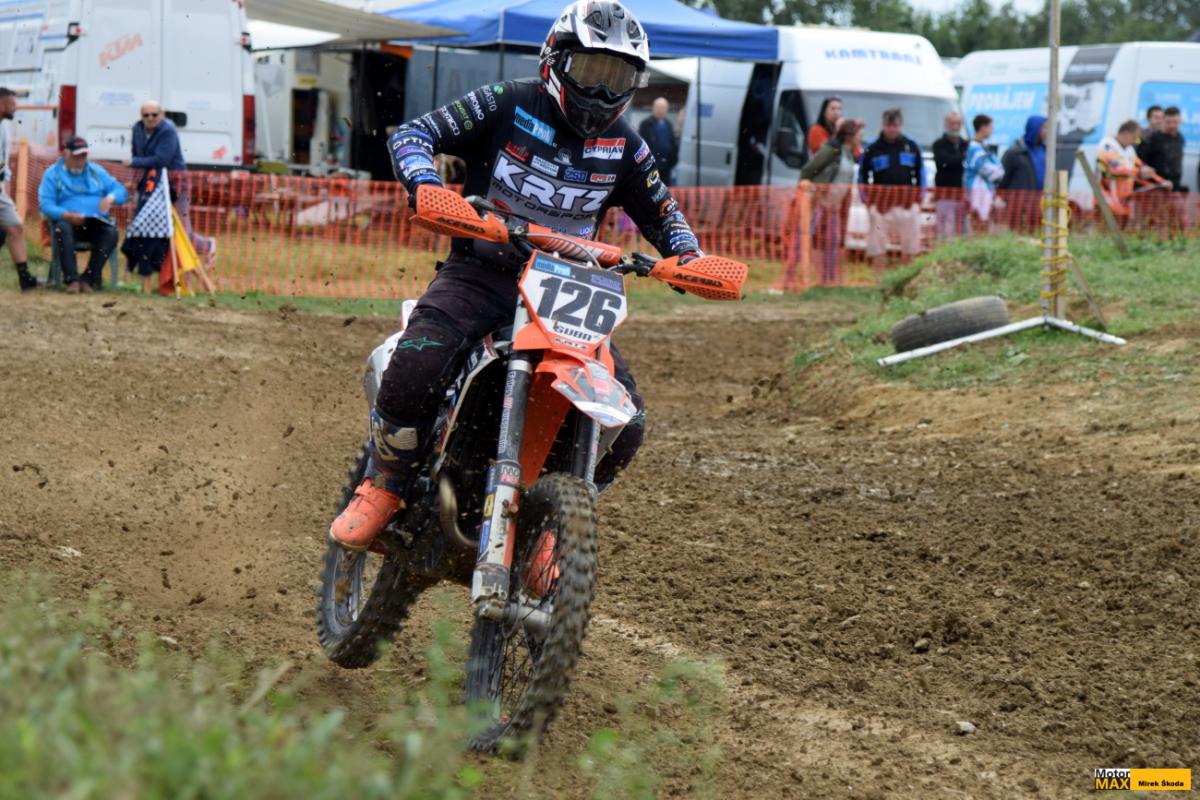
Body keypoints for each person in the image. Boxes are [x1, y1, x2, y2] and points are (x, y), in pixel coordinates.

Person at [329, 0, 704, 551]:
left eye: (618, 78)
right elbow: (412, 135)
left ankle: (553, 520)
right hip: (484, 272)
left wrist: (689, 257)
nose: (602, 91)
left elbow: (664, 212)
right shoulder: (507, 101)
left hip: (567, 291)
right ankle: (384, 483)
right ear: (556, 60)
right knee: (416, 365)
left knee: (627, 425)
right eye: (591, 71)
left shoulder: (627, 144)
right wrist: (427, 185)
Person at [130, 100, 216, 291]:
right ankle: (167, 277)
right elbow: (137, 153)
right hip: (152, 182)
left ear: (161, 114)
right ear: (141, 116)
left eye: (154, 114)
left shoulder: (168, 130)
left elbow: (161, 159)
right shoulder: (137, 129)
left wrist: (135, 162)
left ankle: (208, 246)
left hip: (177, 183)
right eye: (146, 115)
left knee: (180, 230)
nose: (150, 118)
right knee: (156, 229)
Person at [37, 136, 128, 293]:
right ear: (66, 154)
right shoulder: (52, 174)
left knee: (111, 233)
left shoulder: (96, 171)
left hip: (95, 223)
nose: (81, 160)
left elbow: (121, 191)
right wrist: (66, 215)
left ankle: (88, 279)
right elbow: (46, 205)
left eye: (84, 156)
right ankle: (72, 280)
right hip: (67, 223)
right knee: (62, 228)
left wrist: (110, 198)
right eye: (77, 156)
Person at [798, 118, 864, 283]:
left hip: (833, 207)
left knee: (833, 241)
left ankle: (828, 279)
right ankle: (799, 276)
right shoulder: (832, 150)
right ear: (849, 136)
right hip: (818, 203)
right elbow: (808, 171)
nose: (861, 138)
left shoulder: (849, 155)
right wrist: (810, 190)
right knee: (808, 239)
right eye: (859, 135)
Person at [858, 108, 924, 270]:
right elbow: (862, 176)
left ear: (900, 125)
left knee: (910, 246)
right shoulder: (872, 147)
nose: (892, 129)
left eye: (895, 125)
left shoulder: (912, 145)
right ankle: (879, 279)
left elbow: (921, 173)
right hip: (880, 206)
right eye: (889, 125)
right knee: (877, 247)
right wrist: (867, 202)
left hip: (907, 204)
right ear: (883, 125)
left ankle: (907, 278)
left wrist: (919, 199)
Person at [0, 88, 36, 291]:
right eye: (12, 104)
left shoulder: (4, 128)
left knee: (15, 227)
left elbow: (2, 162)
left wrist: (4, 183)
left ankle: (25, 278)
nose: (15, 108)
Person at [1097, 119, 1170, 220]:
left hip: (1124, 201)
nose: (1136, 142)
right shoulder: (1107, 146)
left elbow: (1142, 167)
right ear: (1126, 133)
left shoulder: (1129, 150)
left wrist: (1162, 181)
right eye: (1136, 138)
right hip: (1107, 201)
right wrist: (1138, 173)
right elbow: (1114, 170)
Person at [998, 114, 1047, 230]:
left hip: (1039, 202)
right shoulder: (1014, 152)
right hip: (1019, 205)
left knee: (1036, 233)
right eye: (1045, 128)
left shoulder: (1045, 150)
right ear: (1035, 128)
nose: (1047, 131)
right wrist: (1005, 198)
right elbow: (1002, 178)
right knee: (1018, 234)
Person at [963, 114, 1004, 228]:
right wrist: (998, 171)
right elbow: (991, 170)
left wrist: (998, 170)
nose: (992, 130)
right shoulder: (975, 148)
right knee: (979, 224)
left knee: (985, 223)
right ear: (982, 127)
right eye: (990, 127)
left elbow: (998, 168)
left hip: (986, 192)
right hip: (977, 193)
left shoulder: (984, 147)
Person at [931, 111, 968, 239]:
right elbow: (944, 161)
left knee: (963, 232)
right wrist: (963, 157)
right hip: (944, 195)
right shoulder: (938, 144)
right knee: (945, 233)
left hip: (962, 195)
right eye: (952, 123)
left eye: (958, 123)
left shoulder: (966, 144)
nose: (955, 127)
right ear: (946, 125)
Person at [1138, 106, 1185, 194]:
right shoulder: (1151, 138)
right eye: (1168, 122)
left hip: (1174, 186)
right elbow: (1140, 162)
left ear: (1180, 121)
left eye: (1175, 122)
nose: (1172, 125)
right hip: (1154, 187)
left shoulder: (1180, 138)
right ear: (1163, 120)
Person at [637, 97, 677, 184]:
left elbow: (673, 144)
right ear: (653, 108)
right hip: (651, 166)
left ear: (667, 110)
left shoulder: (668, 125)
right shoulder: (646, 124)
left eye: (663, 108)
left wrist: (672, 160)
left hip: (666, 167)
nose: (660, 110)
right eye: (658, 107)